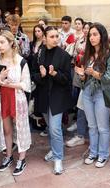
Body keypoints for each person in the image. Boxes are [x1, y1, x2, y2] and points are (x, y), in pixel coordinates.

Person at [31, 26, 74, 175]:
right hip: (43, 97)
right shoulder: (39, 54)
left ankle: (58, 159)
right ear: (45, 38)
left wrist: (54, 74)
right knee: (50, 128)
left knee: (55, 129)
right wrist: (42, 75)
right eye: (52, 36)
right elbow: (33, 75)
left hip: (57, 97)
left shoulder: (64, 56)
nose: (56, 39)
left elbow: (68, 80)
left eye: (57, 36)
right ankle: (55, 149)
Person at [76, 23, 110, 168]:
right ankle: (93, 152)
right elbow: (85, 78)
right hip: (87, 92)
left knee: (103, 127)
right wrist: (82, 76)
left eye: (95, 34)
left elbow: (109, 78)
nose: (92, 38)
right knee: (92, 126)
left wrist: (94, 73)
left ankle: (103, 154)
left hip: (102, 93)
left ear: (102, 35)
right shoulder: (87, 54)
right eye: (90, 35)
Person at [0, 30, 31, 176]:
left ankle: (22, 158)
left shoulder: (21, 61)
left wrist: (9, 84)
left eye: (2, 42)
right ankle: (8, 155)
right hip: (1, 99)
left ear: (11, 43)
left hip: (17, 98)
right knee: (6, 129)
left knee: (20, 128)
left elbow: (26, 84)